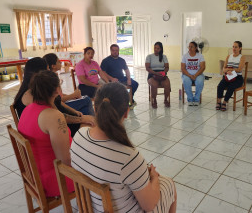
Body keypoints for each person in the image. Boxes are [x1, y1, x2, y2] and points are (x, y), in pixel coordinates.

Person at [70, 83, 177, 213]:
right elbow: (149, 205)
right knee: (169, 184)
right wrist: (154, 178)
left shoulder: (78, 136)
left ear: (95, 108)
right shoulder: (128, 157)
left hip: (89, 208)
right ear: (126, 113)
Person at [18, 70, 74, 197]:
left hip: (35, 175)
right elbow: (64, 161)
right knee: (99, 166)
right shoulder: (54, 117)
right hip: (55, 179)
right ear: (56, 91)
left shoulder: (28, 109)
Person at [13, 57, 95, 137]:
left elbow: (58, 103)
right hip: (49, 129)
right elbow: (57, 116)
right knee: (89, 121)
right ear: (40, 73)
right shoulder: (32, 93)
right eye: (47, 68)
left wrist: (74, 112)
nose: (49, 71)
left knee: (86, 114)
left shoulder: (37, 89)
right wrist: (82, 119)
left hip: (52, 123)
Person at [100, 44, 138, 109]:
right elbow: (103, 72)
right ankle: (128, 101)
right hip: (112, 80)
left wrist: (128, 79)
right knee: (123, 88)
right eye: (113, 50)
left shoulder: (121, 60)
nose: (115, 52)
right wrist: (111, 78)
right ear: (111, 51)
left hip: (122, 78)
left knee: (134, 84)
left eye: (116, 50)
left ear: (118, 51)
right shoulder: (106, 61)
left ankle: (129, 99)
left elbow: (126, 70)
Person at [216, 41, 246, 111]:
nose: (234, 48)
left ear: (240, 48)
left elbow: (239, 69)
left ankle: (224, 102)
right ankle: (219, 101)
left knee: (231, 87)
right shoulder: (229, 56)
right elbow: (223, 69)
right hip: (228, 76)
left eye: (236, 47)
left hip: (237, 78)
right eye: (233, 47)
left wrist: (229, 70)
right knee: (220, 86)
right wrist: (228, 70)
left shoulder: (242, 57)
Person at [145, 42, 171, 108]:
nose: (156, 50)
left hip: (162, 74)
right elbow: (147, 68)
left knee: (167, 83)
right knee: (154, 84)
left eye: (158, 48)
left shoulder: (164, 57)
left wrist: (163, 73)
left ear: (161, 49)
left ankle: (166, 99)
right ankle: (154, 100)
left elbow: (167, 67)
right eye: (155, 48)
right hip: (152, 75)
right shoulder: (149, 56)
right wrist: (155, 73)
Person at [181, 41, 206, 106]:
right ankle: (190, 99)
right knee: (186, 81)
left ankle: (197, 99)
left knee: (200, 81)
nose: (190, 48)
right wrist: (190, 75)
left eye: (191, 47)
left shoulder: (200, 56)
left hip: (198, 74)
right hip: (187, 74)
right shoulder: (185, 56)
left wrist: (195, 75)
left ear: (196, 48)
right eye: (189, 46)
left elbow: (203, 67)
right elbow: (183, 68)